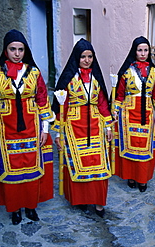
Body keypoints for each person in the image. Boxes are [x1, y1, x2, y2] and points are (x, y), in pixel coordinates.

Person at [0, 29, 55, 225]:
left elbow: (42, 101)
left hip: (31, 127)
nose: (17, 53)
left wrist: (45, 130)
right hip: (5, 129)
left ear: (25, 51)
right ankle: (14, 208)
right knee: (10, 169)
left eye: (20, 49)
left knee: (31, 168)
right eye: (12, 49)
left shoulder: (34, 72)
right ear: (5, 50)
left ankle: (30, 206)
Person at [51, 38, 113, 218]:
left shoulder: (96, 78)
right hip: (73, 126)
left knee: (100, 165)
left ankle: (99, 203)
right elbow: (62, 106)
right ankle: (81, 200)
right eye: (83, 56)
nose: (87, 60)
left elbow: (102, 104)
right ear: (76, 57)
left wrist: (108, 126)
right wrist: (58, 133)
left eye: (90, 56)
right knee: (77, 164)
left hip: (95, 125)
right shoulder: (69, 79)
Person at [111, 36, 155, 192]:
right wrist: (115, 110)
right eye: (140, 50)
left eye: (145, 50)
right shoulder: (127, 72)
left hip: (146, 115)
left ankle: (142, 179)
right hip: (127, 115)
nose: (142, 53)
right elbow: (120, 93)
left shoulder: (154, 72)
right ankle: (130, 176)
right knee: (129, 147)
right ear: (134, 51)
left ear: (149, 52)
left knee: (144, 147)